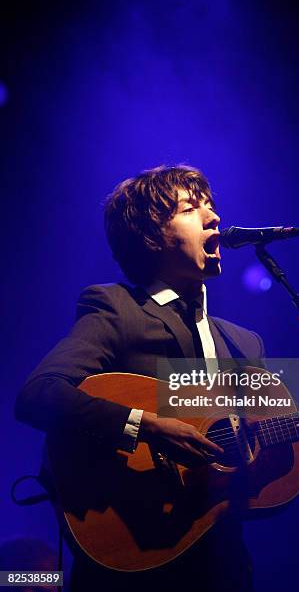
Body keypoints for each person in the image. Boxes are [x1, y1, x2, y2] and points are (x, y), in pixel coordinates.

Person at [15, 164, 266, 591]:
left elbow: (292, 428)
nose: (214, 217)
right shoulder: (117, 308)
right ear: (152, 236)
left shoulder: (245, 342)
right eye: (191, 208)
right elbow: (38, 395)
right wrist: (145, 426)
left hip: (223, 563)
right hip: (134, 550)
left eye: (212, 205)